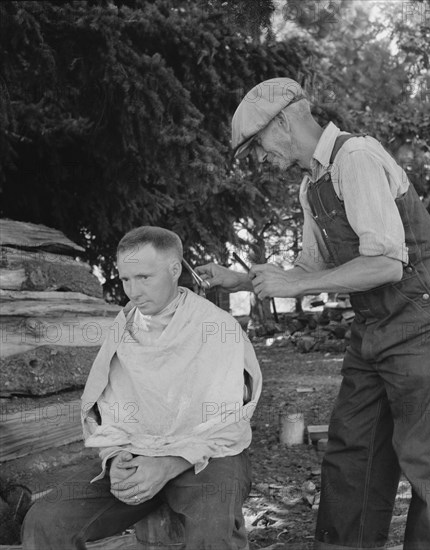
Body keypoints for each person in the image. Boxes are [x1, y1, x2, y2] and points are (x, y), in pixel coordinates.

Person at [197, 78, 430, 550]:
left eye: (257, 145)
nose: (259, 161)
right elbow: (310, 269)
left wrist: (297, 284)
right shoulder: (311, 187)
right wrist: (240, 279)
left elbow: (386, 263)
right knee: (351, 452)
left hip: (427, 322)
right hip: (375, 328)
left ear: (282, 121)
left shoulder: (357, 158)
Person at [22, 226, 262, 550]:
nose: (133, 291)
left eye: (144, 278)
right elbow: (108, 410)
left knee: (212, 533)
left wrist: (170, 463)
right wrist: (115, 457)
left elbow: (228, 423)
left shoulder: (217, 327)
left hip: (208, 456)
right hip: (137, 455)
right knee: (45, 522)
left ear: (174, 270)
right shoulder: (124, 328)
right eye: (125, 279)